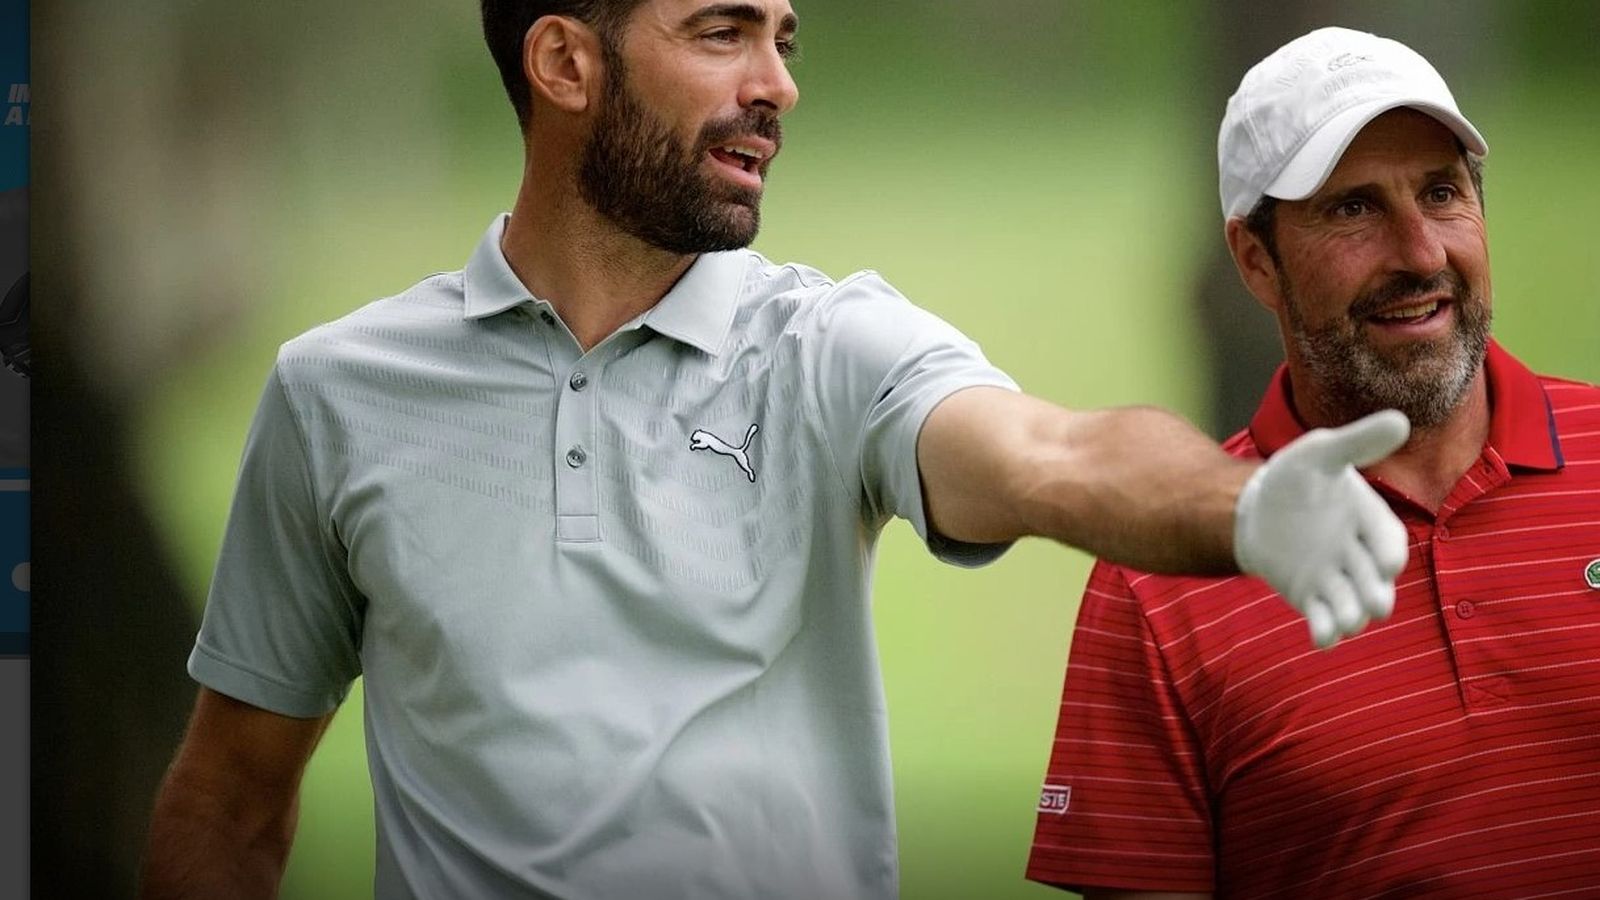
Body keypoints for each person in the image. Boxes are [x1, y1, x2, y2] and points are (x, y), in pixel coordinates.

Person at [139, 6, 1413, 899]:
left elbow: (1050, 453)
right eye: (722, 32)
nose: (778, 83)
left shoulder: (827, 347)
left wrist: (1238, 502)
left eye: (783, 40)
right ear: (565, 62)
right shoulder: (339, 394)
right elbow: (229, 802)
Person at [1025, 26, 1600, 899]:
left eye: (1442, 193)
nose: (1421, 253)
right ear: (1257, 261)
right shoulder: (1158, 580)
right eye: (1353, 210)